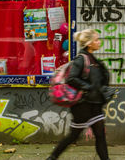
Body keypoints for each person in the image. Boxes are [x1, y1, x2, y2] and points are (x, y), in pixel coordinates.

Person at [47, 29, 110, 160]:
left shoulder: (92, 59)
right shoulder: (81, 59)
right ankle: (52, 157)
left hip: (94, 105)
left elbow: (97, 79)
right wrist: (88, 88)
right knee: (74, 136)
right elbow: (71, 78)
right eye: (96, 40)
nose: (99, 42)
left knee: (100, 135)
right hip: (82, 106)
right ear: (89, 43)